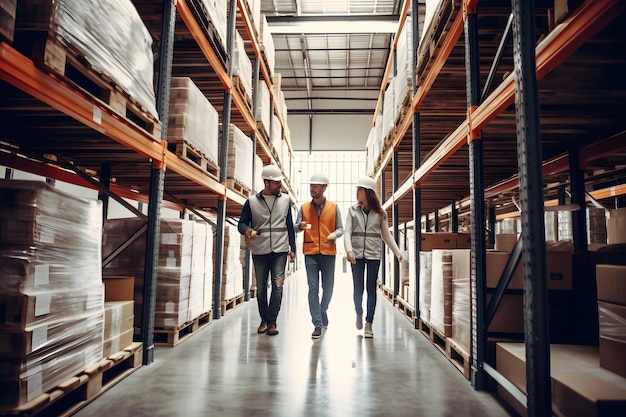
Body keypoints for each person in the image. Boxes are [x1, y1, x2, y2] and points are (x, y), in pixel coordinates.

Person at [238, 164, 296, 336]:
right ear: (267, 183)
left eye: (280, 182)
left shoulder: (286, 200)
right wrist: (247, 230)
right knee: (262, 288)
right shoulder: (251, 202)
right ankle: (263, 319)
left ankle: (272, 322)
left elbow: (290, 227)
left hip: (280, 250)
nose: (280, 185)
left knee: (278, 286)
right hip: (260, 251)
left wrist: (292, 248)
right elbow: (242, 222)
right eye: (276, 183)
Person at [344, 176, 402, 338]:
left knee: (371, 288)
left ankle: (369, 323)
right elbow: (347, 232)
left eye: (359, 190)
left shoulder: (380, 213)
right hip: (356, 255)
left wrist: (397, 253)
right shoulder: (352, 211)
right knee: (358, 288)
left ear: (368, 193)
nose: (356, 193)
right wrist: (349, 250)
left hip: (374, 254)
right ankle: (359, 312)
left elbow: (387, 236)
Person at [295, 173, 344, 339]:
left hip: (329, 253)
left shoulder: (334, 207)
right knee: (313, 288)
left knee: (328, 288)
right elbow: (294, 227)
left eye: (315, 186)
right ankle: (316, 324)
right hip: (311, 254)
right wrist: (299, 226)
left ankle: (323, 309)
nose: (311, 189)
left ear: (324, 188)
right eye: (310, 186)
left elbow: (340, 228)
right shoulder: (303, 208)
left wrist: (334, 236)